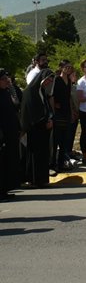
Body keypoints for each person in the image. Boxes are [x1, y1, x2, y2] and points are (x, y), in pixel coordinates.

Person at [20, 68, 55, 188]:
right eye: (48, 79)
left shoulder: (41, 91)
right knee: (34, 155)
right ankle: (33, 179)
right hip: (34, 128)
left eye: (51, 80)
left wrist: (49, 119)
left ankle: (42, 179)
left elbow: (45, 108)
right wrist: (44, 121)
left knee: (43, 154)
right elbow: (31, 112)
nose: (48, 82)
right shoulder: (29, 92)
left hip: (43, 128)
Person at [0, 69, 21, 201]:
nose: (6, 81)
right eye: (3, 79)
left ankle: (5, 189)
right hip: (2, 134)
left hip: (11, 133)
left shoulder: (6, 92)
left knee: (8, 162)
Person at [51, 60, 75, 173]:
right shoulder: (57, 79)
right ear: (61, 67)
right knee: (56, 139)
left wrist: (71, 111)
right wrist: (54, 106)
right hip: (58, 112)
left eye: (70, 67)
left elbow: (69, 97)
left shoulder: (69, 81)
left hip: (66, 112)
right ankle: (52, 164)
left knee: (65, 139)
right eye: (66, 67)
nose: (68, 69)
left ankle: (61, 163)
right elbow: (51, 95)